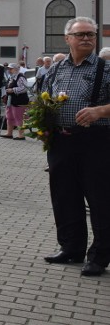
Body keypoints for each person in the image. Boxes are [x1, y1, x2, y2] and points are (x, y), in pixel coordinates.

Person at [42, 17, 110, 277]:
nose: (86, 39)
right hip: (61, 140)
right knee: (64, 196)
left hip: (96, 141)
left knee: (100, 199)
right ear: (67, 38)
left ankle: (100, 255)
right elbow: (42, 97)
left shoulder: (105, 68)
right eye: (80, 34)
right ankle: (71, 247)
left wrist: (100, 111)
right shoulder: (57, 68)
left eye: (91, 34)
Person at [0, 62, 29, 140]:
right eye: (9, 69)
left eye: (11, 69)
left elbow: (24, 88)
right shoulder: (11, 77)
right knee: (9, 116)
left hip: (19, 101)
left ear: (16, 69)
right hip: (11, 100)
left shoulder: (20, 77)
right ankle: (9, 133)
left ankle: (21, 135)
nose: (9, 70)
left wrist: (13, 90)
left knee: (18, 117)